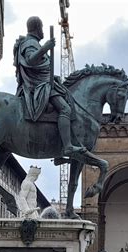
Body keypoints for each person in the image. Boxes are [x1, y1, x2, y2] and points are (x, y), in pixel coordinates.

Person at [13, 16, 86, 157]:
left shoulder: (32, 42)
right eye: (41, 28)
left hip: (44, 81)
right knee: (65, 109)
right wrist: (45, 48)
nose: (43, 32)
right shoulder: (30, 43)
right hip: (38, 85)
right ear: (37, 28)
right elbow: (30, 60)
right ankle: (68, 147)